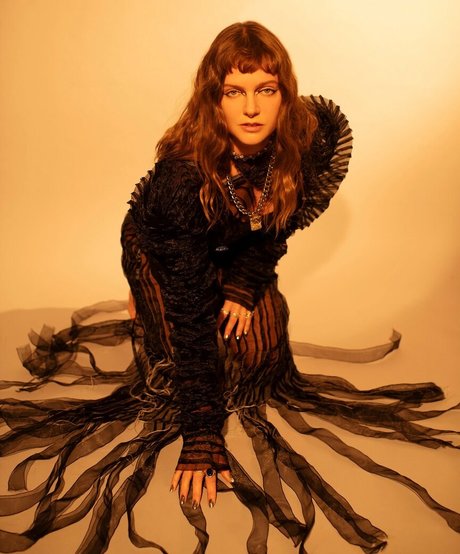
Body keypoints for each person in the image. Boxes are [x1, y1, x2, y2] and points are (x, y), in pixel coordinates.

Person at [1, 21, 459, 554]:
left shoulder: (302, 147)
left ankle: (201, 282)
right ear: (213, 100)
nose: (252, 108)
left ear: (284, 94)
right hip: (158, 244)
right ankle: (147, 289)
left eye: (266, 90)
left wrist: (242, 287)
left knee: (260, 350)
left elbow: (276, 228)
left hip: (230, 243)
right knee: (188, 347)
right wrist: (202, 432)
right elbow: (193, 316)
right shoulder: (181, 180)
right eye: (234, 92)